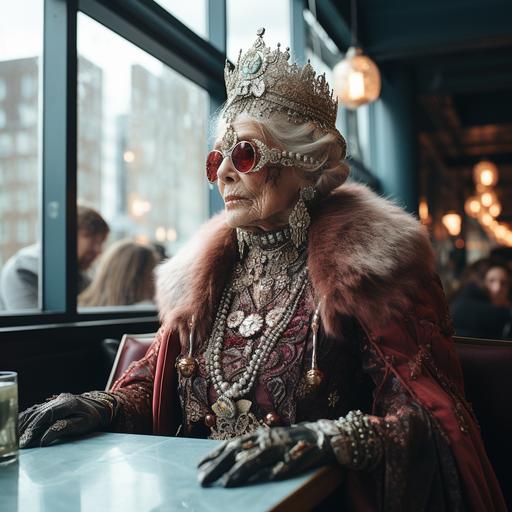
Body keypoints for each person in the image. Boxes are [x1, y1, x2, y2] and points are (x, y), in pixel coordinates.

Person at [17, 30, 506, 510]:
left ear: (305, 165)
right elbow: (156, 387)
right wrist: (100, 405)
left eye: (246, 153)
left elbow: (426, 417)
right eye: (218, 158)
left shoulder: (374, 272)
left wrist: (329, 441)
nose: (225, 171)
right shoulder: (204, 278)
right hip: (198, 495)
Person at [0, 204, 109, 310]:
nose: (98, 251)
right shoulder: (23, 269)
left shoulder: (79, 275)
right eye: (95, 241)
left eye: (101, 243)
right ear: (67, 235)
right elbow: (31, 325)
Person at [78, 239, 159, 307]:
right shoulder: (146, 313)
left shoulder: (79, 308)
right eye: (151, 276)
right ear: (137, 279)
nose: (155, 282)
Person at [451, 258, 512, 339]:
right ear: (482, 283)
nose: (497, 288)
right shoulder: (466, 306)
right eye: (491, 281)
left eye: (503, 283)